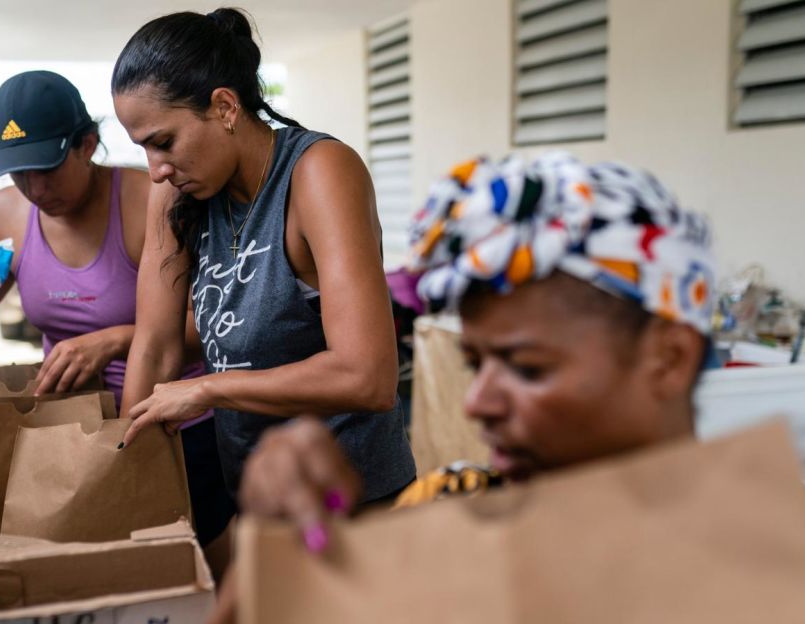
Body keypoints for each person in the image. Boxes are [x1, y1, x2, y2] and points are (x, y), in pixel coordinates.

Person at [208, 151, 717, 623]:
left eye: (527, 368)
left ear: (668, 359)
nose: (477, 404)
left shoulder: (750, 567)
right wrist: (272, 550)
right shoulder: (450, 505)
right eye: (476, 364)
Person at [0, 70, 234, 555]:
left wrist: (116, 339)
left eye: (47, 168)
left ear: (87, 144)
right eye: (19, 173)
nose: (35, 188)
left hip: (177, 430)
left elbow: (220, 325)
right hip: (68, 431)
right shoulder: (5, 213)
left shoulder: (153, 200)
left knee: (183, 575)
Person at [111, 8, 417, 515]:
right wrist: (124, 469)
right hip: (255, 494)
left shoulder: (317, 173)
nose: (156, 169)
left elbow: (368, 376)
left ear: (226, 107)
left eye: (163, 142)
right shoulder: (175, 194)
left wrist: (207, 388)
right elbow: (156, 346)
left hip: (354, 500)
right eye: (143, 149)